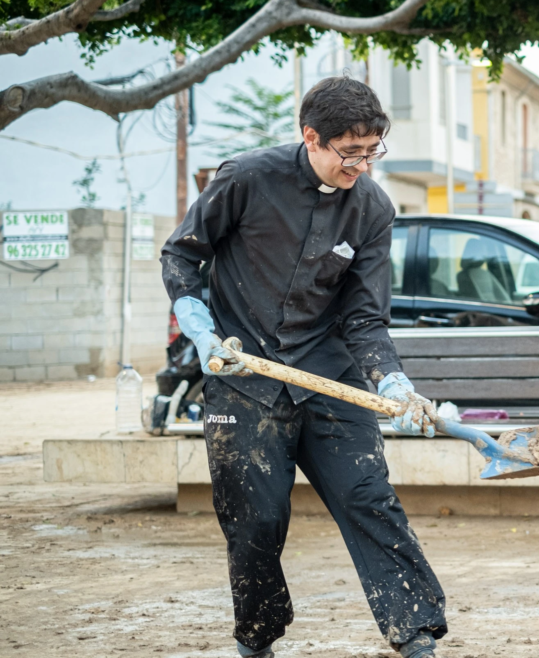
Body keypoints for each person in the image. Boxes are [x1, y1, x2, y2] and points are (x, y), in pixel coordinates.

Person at [160, 77, 445, 658]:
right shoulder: (246, 178)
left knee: (369, 497)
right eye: (350, 152)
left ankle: (417, 636)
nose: (362, 166)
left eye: (372, 151)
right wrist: (201, 330)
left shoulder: (372, 208)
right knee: (255, 521)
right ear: (311, 137)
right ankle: (257, 639)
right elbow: (183, 253)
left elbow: (365, 317)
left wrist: (393, 381)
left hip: (329, 379)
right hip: (245, 379)